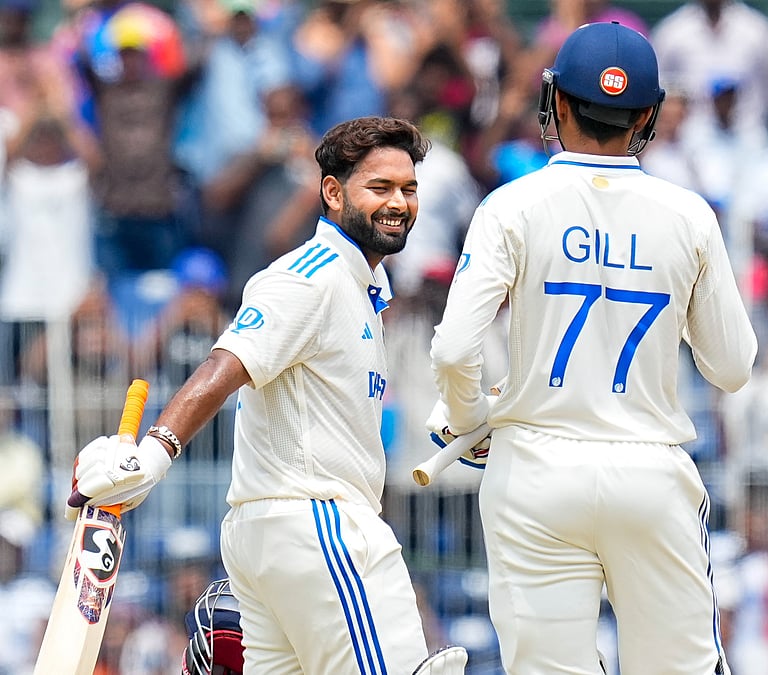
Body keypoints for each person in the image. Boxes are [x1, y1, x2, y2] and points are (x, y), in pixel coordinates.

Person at [65, 116, 468, 675]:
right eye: (379, 188)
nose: (398, 202)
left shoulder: (366, 287)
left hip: (274, 538)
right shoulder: (312, 276)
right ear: (332, 191)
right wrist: (156, 450)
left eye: (408, 188)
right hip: (321, 526)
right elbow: (227, 362)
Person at [428, 21, 758, 674]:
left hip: (534, 471)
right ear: (648, 114)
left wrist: (470, 421)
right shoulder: (688, 213)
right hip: (648, 469)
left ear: (555, 102)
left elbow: (453, 348)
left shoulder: (510, 205)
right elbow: (732, 366)